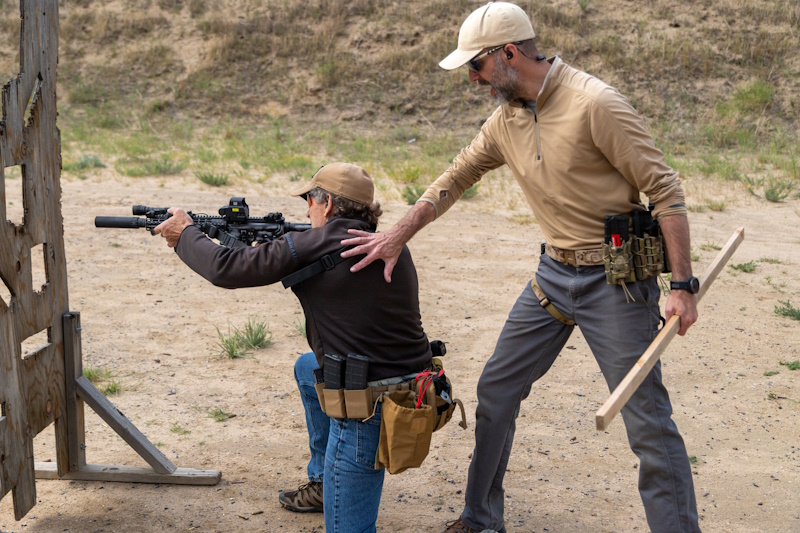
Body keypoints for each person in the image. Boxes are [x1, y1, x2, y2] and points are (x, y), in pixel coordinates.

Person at [340, 3, 701, 533]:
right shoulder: (505, 119)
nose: (473, 79)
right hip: (552, 277)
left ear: (508, 53)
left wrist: (683, 285)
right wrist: (397, 235)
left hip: (615, 284)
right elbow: (454, 178)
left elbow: (665, 190)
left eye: (477, 65)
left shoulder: (595, 103)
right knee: (497, 392)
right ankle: (481, 519)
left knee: (647, 422)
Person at [153, 162, 432, 533]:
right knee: (306, 368)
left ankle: (338, 477)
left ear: (327, 204)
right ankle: (324, 482)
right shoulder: (385, 242)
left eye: (310, 202)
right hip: (417, 388)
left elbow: (226, 269)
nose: (307, 212)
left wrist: (186, 234)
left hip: (369, 408)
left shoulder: (321, 242)